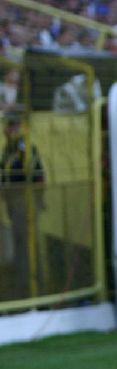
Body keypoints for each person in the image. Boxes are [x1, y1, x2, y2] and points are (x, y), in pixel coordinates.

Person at [1, 110, 44, 300]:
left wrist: (37, 200)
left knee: (27, 246)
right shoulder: (8, 149)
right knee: (20, 246)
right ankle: (23, 289)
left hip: (23, 202)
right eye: (8, 126)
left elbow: (38, 175)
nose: (9, 129)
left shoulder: (23, 148)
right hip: (12, 203)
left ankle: (33, 289)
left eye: (13, 125)